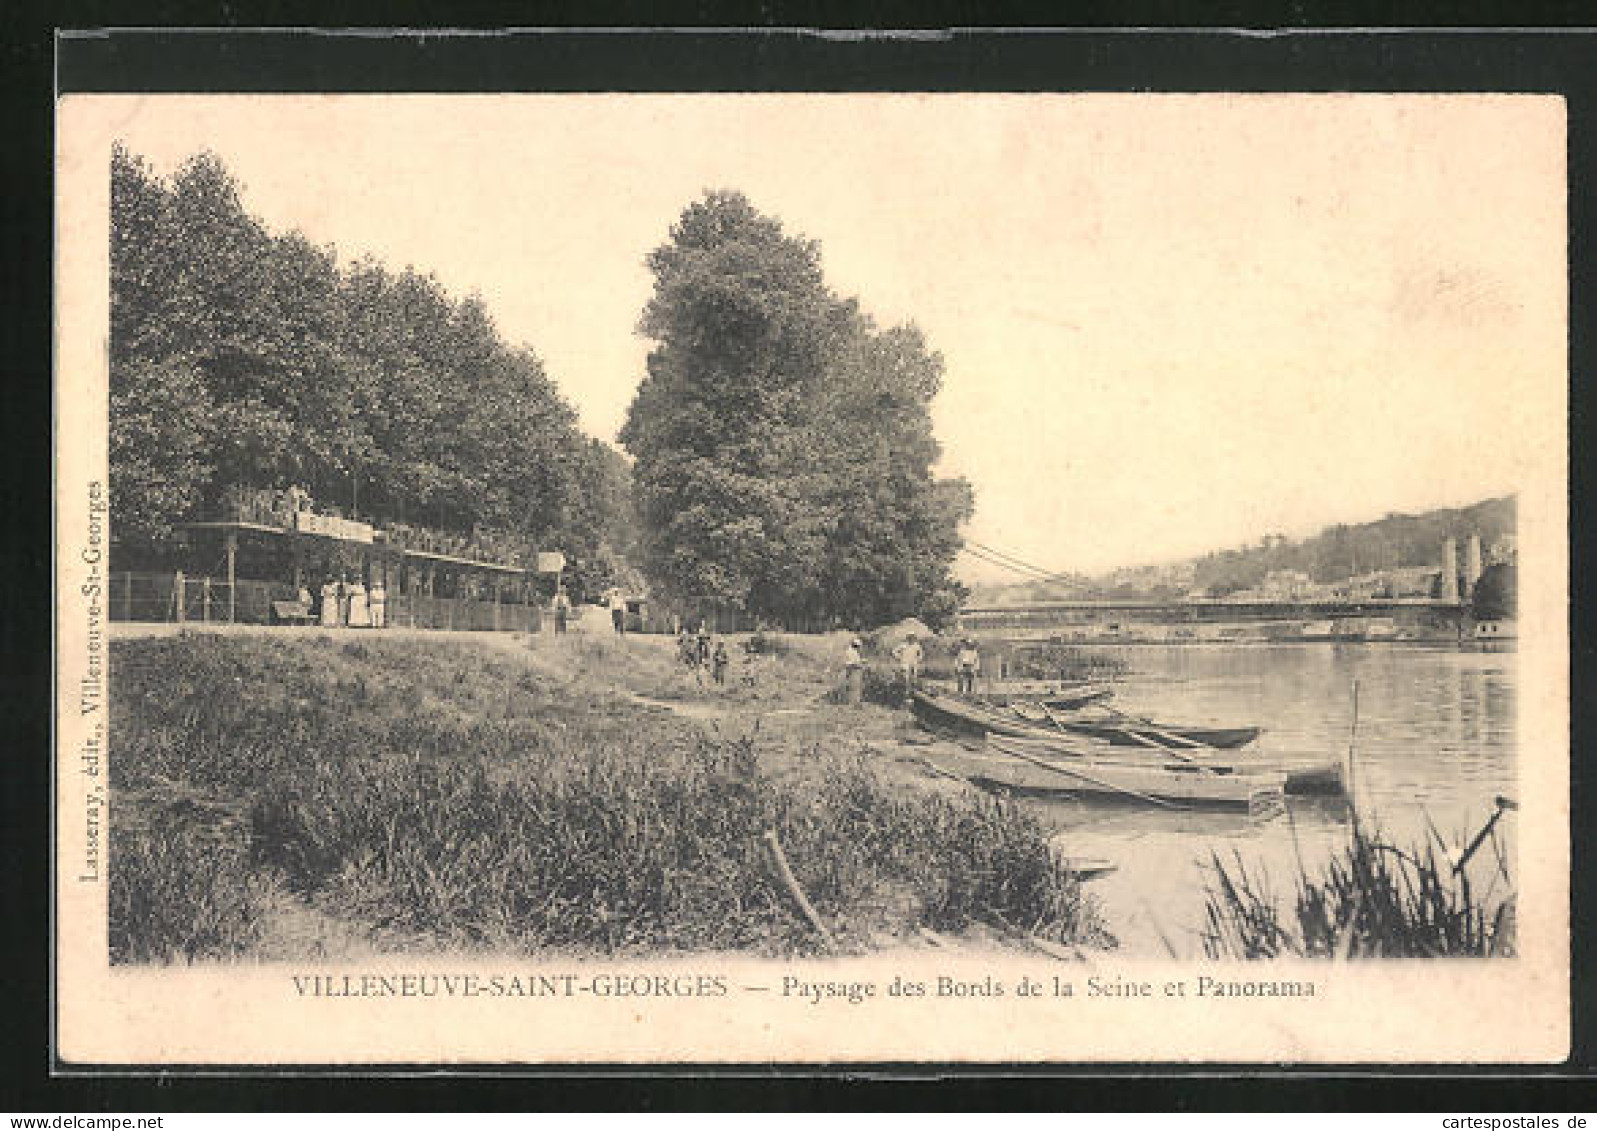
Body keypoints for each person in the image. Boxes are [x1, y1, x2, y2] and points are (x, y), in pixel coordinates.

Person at [892, 632, 924, 698]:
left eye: (912, 637)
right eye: (910, 637)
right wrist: (898, 657)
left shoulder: (916, 645)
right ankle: (906, 692)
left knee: (914, 677)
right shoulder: (903, 645)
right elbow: (894, 651)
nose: (911, 639)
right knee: (905, 677)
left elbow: (921, 653)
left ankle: (913, 693)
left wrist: (919, 659)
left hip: (914, 663)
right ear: (908, 638)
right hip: (905, 662)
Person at [843, 636, 865, 705]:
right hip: (853, 669)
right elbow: (851, 662)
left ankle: (854, 702)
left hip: (854, 669)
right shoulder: (851, 652)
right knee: (854, 687)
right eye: (858, 646)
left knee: (854, 686)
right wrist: (860, 663)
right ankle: (854, 702)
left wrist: (861, 661)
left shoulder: (852, 651)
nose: (859, 648)